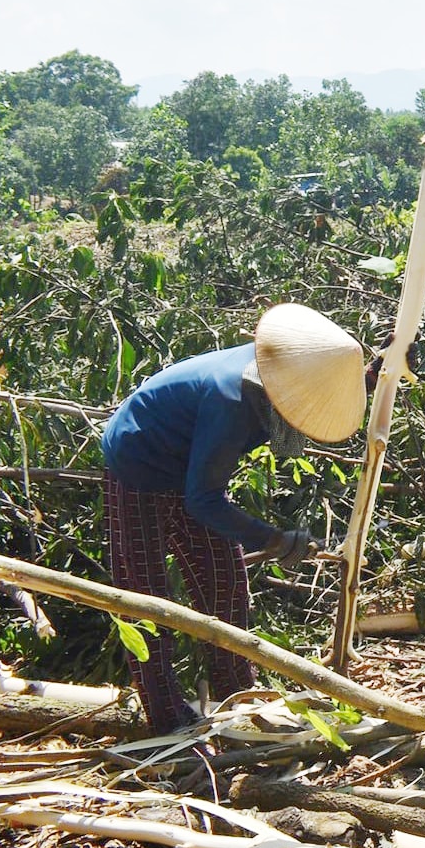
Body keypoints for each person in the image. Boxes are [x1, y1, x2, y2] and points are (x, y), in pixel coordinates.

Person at [101, 303, 366, 733]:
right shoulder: (232, 400)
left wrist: (373, 375)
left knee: (223, 585)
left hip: (190, 468)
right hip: (139, 463)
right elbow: (203, 500)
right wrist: (274, 539)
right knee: (147, 601)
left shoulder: (284, 368)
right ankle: (167, 719)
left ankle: (238, 700)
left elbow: (201, 495)